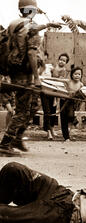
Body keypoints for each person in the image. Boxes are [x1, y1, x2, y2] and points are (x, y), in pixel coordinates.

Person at [0, 0, 61, 156]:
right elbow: (31, 53)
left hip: (14, 71)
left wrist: (47, 25)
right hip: (25, 73)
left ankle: (17, 138)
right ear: (32, 10)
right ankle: (6, 143)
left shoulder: (14, 24)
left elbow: (29, 30)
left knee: (33, 105)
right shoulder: (31, 27)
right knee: (23, 109)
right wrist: (37, 78)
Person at [41, 53, 70, 140]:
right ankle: (48, 131)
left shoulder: (64, 71)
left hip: (55, 92)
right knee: (47, 111)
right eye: (60, 59)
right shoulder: (52, 68)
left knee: (53, 111)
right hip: (46, 90)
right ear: (58, 60)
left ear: (66, 62)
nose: (61, 61)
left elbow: (61, 83)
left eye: (64, 61)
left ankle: (52, 129)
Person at [60, 66, 84, 142]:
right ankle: (66, 137)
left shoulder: (81, 85)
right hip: (64, 101)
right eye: (75, 74)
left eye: (79, 74)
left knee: (70, 115)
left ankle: (74, 121)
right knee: (63, 119)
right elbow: (60, 86)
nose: (77, 76)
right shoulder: (68, 82)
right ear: (72, 75)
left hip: (73, 103)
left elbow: (82, 96)